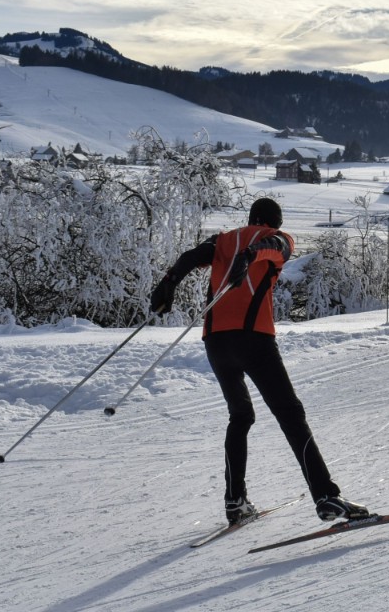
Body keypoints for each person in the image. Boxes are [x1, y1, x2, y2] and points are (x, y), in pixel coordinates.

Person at [150, 197, 370, 525]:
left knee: (240, 417)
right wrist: (251, 255)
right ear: (274, 222)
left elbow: (189, 258)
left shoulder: (223, 240)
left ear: (250, 217)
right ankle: (326, 496)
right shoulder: (281, 238)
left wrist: (166, 286)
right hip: (254, 340)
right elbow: (272, 246)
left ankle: (235, 502)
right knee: (291, 415)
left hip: (216, 343)